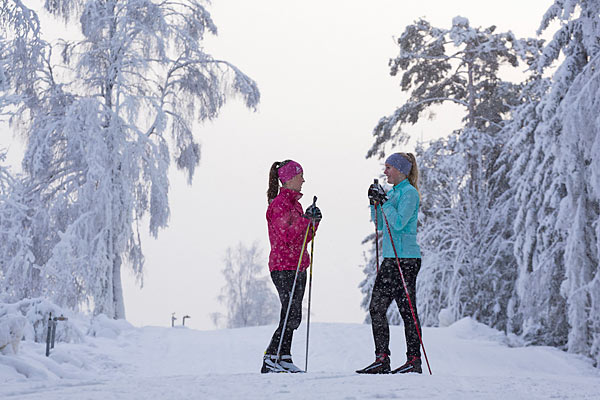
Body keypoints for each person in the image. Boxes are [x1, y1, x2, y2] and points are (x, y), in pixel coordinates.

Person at [356, 152, 423, 374]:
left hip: (406, 258)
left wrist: (383, 202)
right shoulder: (394, 193)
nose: (385, 172)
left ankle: (414, 360)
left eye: (388, 168)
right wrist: (374, 203)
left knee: (407, 310)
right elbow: (382, 225)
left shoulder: (409, 194)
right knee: (376, 307)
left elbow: (399, 222)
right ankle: (382, 358)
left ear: (401, 170)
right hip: (391, 258)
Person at [261, 159, 322, 373]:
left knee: (293, 314)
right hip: (283, 267)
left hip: (298, 266)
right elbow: (286, 236)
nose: (303, 180)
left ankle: (283, 356)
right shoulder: (278, 205)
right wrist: (306, 220)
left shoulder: (295, 205)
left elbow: (302, 238)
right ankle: (271, 357)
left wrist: (313, 222)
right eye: (300, 176)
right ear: (288, 179)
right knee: (290, 313)